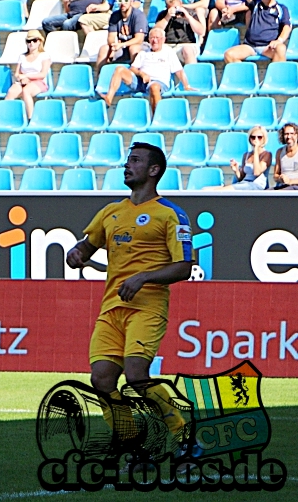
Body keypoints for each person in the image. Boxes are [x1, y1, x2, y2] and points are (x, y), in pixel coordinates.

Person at [65, 142, 193, 447]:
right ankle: (133, 441)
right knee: (102, 379)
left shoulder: (170, 214)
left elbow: (184, 267)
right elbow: (87, 245)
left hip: (147, 307)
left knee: (137, 376)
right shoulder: (111, 212)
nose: (127, 165)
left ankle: (184, 435)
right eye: (127, 160)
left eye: (135, 160)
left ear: (153, 170)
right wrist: (76, 253)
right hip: (112, 308)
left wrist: (145, 277)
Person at [101, 28, 192, 110]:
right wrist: (142, 74)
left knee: (154, 87)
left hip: (159, 82)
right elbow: (133, 68)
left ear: (163, 40)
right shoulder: (143, 53)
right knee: (120, 69)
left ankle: (157, 118)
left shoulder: (169, 52)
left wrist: (186, 86)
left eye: (157, 38)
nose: (155, 40)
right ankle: (108, 98)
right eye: (152, 38)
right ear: (148, 40)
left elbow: (179, 70)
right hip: (141, 81)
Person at [224, 0, 292, 63]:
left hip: (268, 47)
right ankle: (246, 75)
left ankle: (276, 75)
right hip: (250, 46)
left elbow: (287, 27)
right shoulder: (255, 4)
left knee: (281, 48)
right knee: (229, 55)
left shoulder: (281, 8)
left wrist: (279, 41)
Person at [209, 126, 272, 191]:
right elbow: (241, 177)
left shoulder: (267, 155)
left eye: (259, 137)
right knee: (206, 189)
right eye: (253, 137)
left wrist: (256, 149)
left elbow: (256, 172)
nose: (256, 139)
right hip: (244, 183)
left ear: (264, 139)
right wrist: (236, 170)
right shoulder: (246, 155)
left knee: (221, 191)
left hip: (256, 185)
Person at [5, 29, 51, 118]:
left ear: (39, 42)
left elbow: (42, 74)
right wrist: (22, 79)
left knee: (26, 91)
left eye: (34, 40)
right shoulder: (22, 56)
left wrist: (26, 76)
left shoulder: (44, 56)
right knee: (11, 92)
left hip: (38, 81)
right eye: (29, 41)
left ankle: (30, 118)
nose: (31, 43)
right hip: (23, 81)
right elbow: (17, 74)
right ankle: (7, 117)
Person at [97, 0, 147, 67]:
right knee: (104, 49)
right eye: (120, 0)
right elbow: (111, 37)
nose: (123, 3)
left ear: (131, 1)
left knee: (133, 48)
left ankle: (135, 75)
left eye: (126, 0)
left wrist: (122, 45)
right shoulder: (115, 16)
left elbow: (139, 39)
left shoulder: (139, 16)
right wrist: (113, 46)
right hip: (121, 46)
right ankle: (100, 76)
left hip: (140, 46)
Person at [153, 0, 204, 64]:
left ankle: (192, 74)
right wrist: (167, 17)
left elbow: (201, 31)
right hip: (168, 45)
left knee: (187, 50)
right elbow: (156, 31)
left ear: (180, 3)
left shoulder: (190, 13)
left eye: (176, 7)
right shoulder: (163, 15)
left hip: (187, 45)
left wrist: (188, 17)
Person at [273, 123, 298, 190]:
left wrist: (290, 181)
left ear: (296, 135)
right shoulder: (280, 152)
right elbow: (275, 175)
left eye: (292, 134)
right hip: (283, 185)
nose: (289, 137)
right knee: (266, 194)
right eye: (286, 134)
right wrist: (280, 178)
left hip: (295, 186)